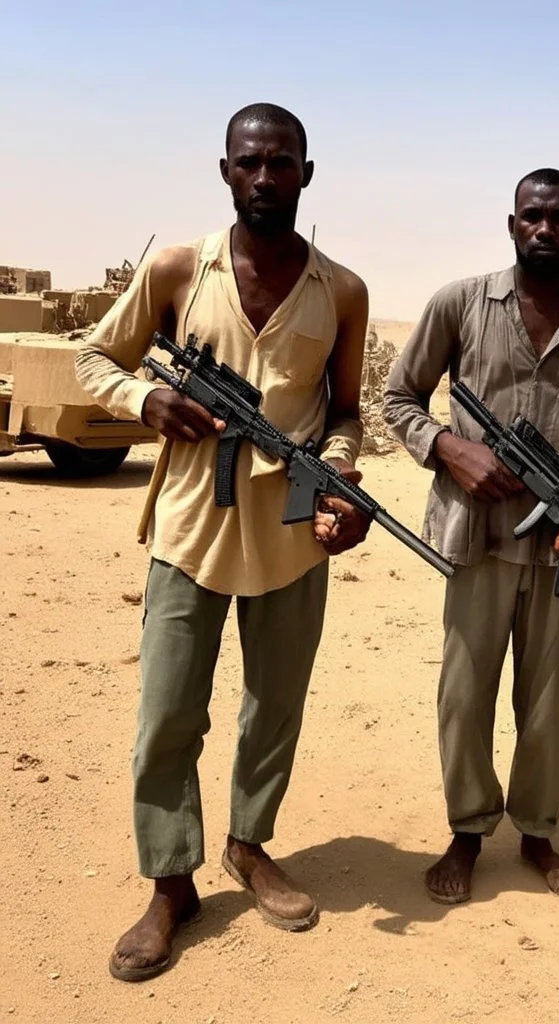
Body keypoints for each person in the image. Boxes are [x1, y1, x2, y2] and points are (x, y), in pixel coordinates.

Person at [74, 102, 371, 979]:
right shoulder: (177, 268)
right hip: (190, 529)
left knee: (274, 707)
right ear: (226, 171)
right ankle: (171, 884)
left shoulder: (343, 290)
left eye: (282, 163)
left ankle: (249, 844)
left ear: (307, 175)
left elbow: (346, 413)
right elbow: (94, 357)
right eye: (250, 162)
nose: (266, 177)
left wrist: (339, 478)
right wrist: (145, 400)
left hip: (291, 537)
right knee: (168, 715)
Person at [382, 168, 559, 905]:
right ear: (512, 223)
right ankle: (467, 830)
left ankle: (538, 834)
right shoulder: (460, 302)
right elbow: (398, 397)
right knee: (465, 695)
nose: (544, 228)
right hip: (477, 533)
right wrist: (449, 449)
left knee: (546, 701)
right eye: (532, 215)